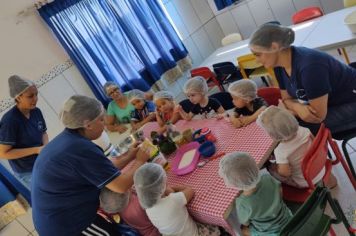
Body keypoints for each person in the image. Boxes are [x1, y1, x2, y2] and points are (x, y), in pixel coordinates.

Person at [31, 95, 150, 236]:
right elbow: (121, 185)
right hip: (66, 226)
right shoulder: (79, 148)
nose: (105, 123)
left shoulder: (69, 140)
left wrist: (130, 155)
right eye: (101, 119)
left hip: (56, 215)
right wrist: (140, 161)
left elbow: (103, 169)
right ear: (88, 124)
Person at [249, 23, 356, 135]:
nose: (257, 60)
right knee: (286, 128)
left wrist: (291, 110)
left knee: (292, 131)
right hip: (330, 104)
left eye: (258, 55)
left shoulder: (309, 66)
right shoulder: (279, 65)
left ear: (274, 47)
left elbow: (317, 116)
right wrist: (297, 107)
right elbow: (285, 99)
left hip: (351, 101)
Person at [134, 163, 221, 236]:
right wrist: (169, 188)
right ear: (162, 185)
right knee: (217, 229)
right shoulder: (173, 200)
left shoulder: (148, 209)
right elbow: (190, 191)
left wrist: (165, 189)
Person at [256, 106, 332, 188]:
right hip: (320, 168)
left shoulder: (280, 152)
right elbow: (315, 145)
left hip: (305, 182)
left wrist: (276, 168)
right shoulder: (305, 130)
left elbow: (285, 174)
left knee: (271, 169)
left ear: (272, 135)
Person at [218, 152, 292, 236]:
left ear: (233, 184)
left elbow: (245, 223)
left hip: (269, 232)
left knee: (242, 231)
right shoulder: (268, 178)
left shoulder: (243, 204)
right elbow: (280, 191)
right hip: (287, 218)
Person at [0, 75, 48, 188]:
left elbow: (43, 132)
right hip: (28, 172)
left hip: (44, 162)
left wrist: (46, 147)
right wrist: (36, 150)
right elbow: (3, 153)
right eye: (30, 96)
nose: (35, 98)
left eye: (36, 94)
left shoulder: (36, 111)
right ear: (18, 97)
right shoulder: (10, 121)